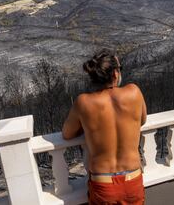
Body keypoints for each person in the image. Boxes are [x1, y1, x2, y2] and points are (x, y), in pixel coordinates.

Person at [62, 48, 147, 204]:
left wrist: (88, 126)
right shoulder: (134, 92)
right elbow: (142, 120)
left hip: (103, 185)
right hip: (133, 180)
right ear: (115, 74)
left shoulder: (84, 102)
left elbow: (67, 134)